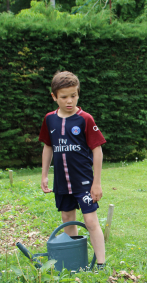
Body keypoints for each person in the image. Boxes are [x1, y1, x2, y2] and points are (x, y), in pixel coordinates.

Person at [39, 71, 106, 270]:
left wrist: (97, 182)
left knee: (91, 220)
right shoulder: (49, 119)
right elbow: (48, 147)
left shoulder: (85, 119)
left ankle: (101, 263)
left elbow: (97, 150)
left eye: (73, 96)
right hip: (61, 183)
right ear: (54, 97)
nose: (69, 101)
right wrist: (44, 175)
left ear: (78, 94)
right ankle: (73, 261)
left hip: (83, 182)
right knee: (68, 219)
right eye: (64, 97)